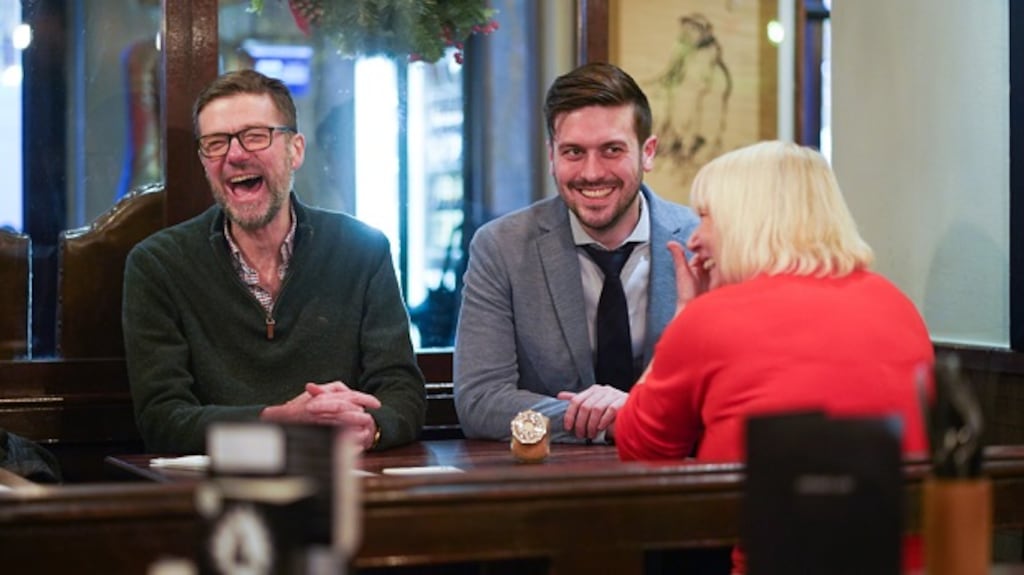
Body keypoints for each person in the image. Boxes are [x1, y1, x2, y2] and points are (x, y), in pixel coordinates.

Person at [614, 140, 933, 573]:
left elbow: (640, 449)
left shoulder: (712, 317)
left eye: (705, 216)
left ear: (745, 220)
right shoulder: (898, 305)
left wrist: (684, 316)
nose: (693, 237)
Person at [123, 69, 426, 454]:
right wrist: (281, 420)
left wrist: (370, 429)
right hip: (215, 493)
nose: (234, 155)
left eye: (255, 136)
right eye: (216, 143)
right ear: (204, 161)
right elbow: (162, 420)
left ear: (295, 150)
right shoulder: (158, 265)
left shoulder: (362, 250)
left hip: (349, 479)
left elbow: (403, 391)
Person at [454, 62, 699, 443]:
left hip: (680, 477)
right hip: (550, 484)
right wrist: (618, 420)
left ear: (647, 153)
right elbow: (480, 401)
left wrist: (631, 411)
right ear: (552, 155)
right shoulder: (501, 247)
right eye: (573, 152)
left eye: (612, 150)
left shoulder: (700, 243)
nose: (591, 172)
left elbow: (725, 391)